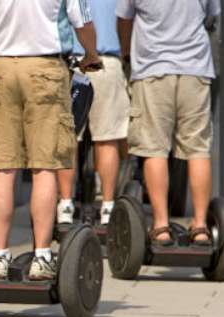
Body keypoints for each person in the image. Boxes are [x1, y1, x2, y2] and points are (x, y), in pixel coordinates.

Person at [0, 0, 102, 281]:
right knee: (44, 166)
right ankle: (42, 256)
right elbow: (83, 23)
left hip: (1, 68)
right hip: (45, 68)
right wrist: (91, 54)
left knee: (3, 167)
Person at [116, 0, 221, 246]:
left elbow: (123, 19)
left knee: (154, 148)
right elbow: (212, 17)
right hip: (195, 69)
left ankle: (161, 226)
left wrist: (126, 54)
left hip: (153, 69)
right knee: (198, 149)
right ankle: (201, 226)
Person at [57, 0, 130, 226]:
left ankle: (65, 205)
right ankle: (107, 206)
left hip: (73, 61)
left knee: (68, 138)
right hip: (107, 61)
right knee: (107, 139)